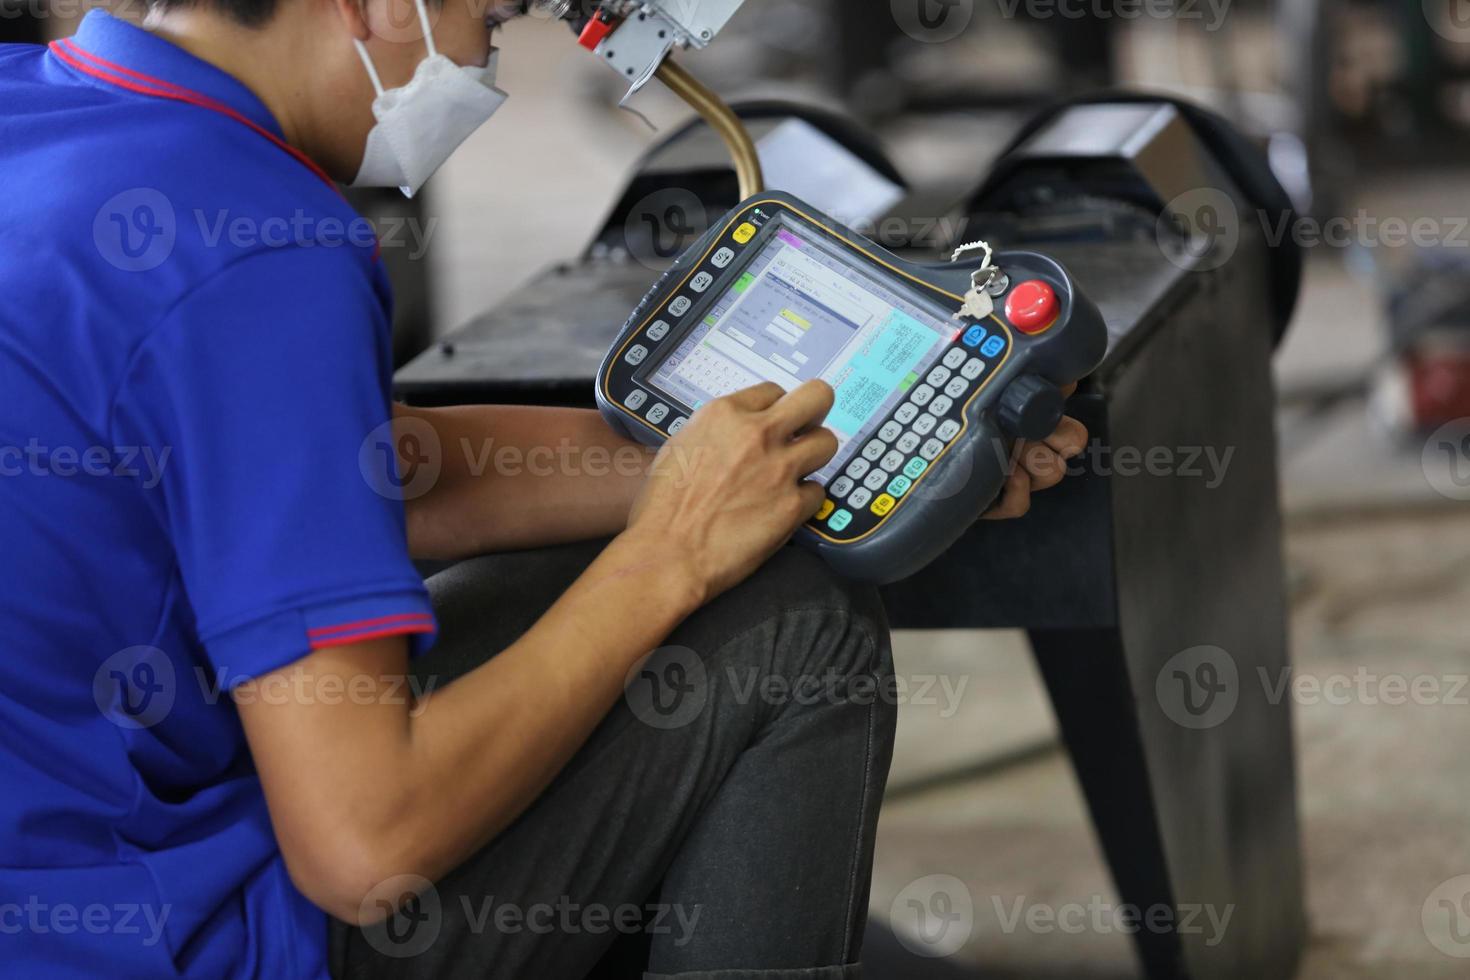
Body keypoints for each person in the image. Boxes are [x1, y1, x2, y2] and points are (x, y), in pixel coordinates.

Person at [0, 1, 1088, 976]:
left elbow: (373, 467)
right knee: (792, 625)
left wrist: (810, 464)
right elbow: (365, 844)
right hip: (149, 934)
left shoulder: (40, 111)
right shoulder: (262, 251)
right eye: (495, 11)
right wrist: (668, 555)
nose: (486, 51)